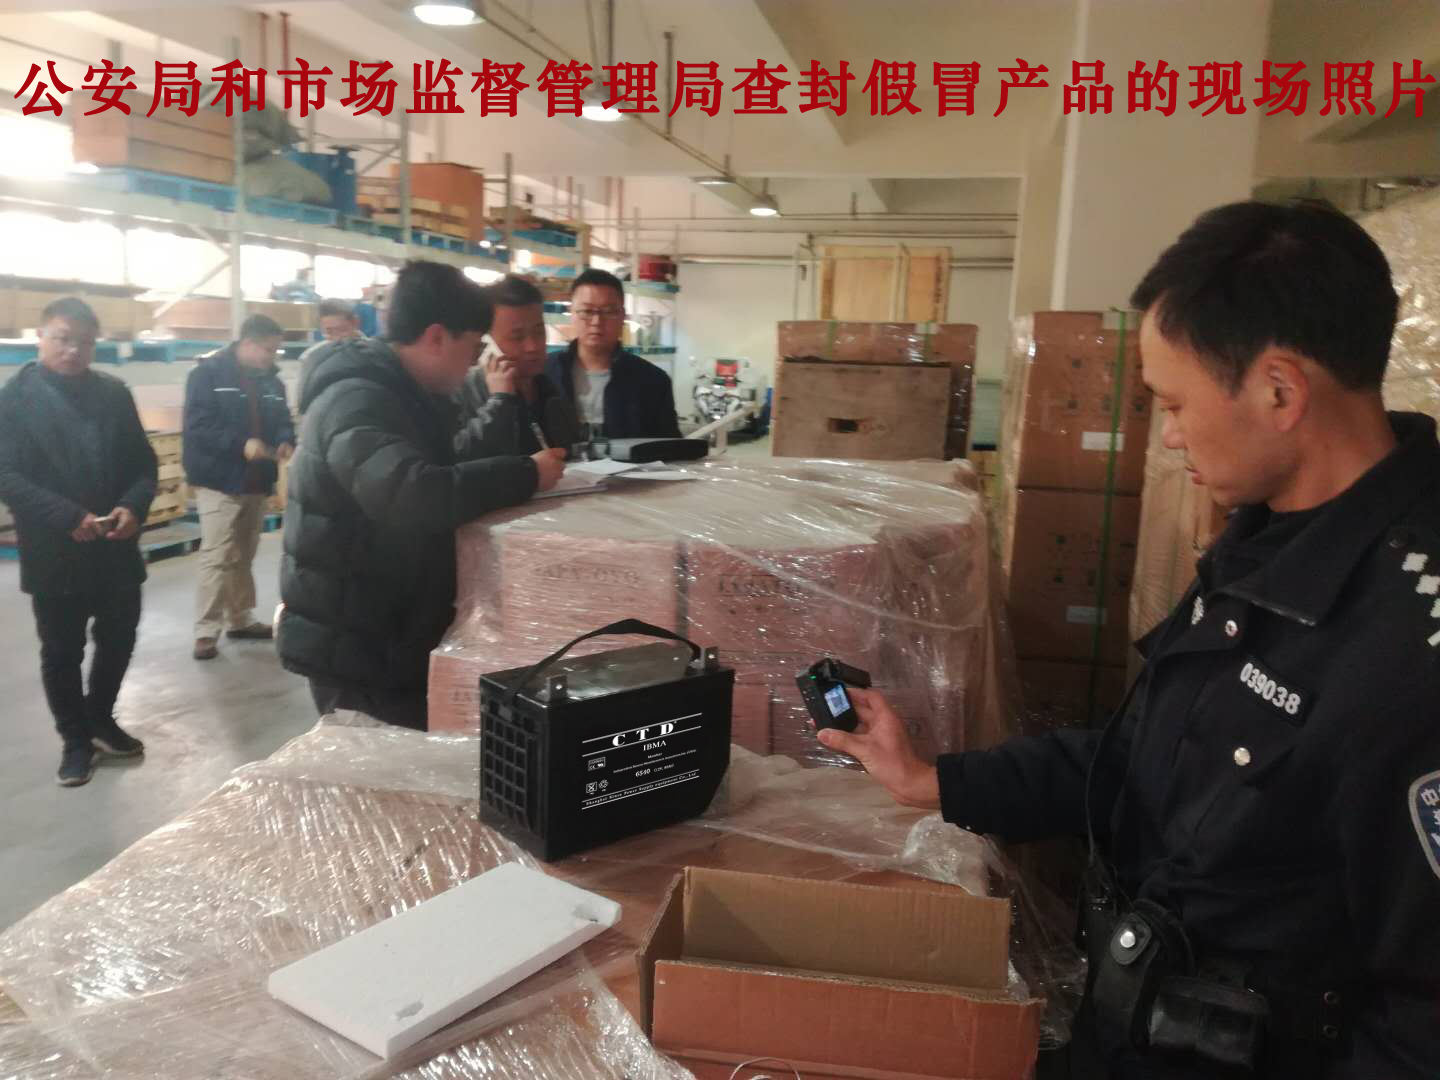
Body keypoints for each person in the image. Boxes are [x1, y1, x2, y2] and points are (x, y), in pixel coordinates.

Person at [817, 201, 1440, 1079]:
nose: (1169, 434)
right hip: (1136, 1032)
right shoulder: (1263, 548)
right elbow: (1139, 762)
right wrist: (934, 780)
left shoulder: (1408, 647)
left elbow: (1422, 1021)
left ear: (1279, 390)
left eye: (1175, 403)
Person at [276, 260, 567, 730]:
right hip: (356, 648)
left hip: (386, 633)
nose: (474, 362)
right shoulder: (356, 399)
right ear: (436, 336)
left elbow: (445, 465)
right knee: (377, 766)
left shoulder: (405, 395)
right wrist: (526, 474)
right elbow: (413, 494)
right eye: (473, 346)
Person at [0, 298, 156, 787]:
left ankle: (100, 718)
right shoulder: (14, 400)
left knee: (119, 637)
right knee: (62, 650)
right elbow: (7, 475)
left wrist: (133, 505)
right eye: (62, 339)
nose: (73, 350)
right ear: (41, 336)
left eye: (84, 342)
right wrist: (67, 516)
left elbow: (143, 463)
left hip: (115, 545)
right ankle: (75, 741)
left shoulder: (113, 393)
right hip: (55, 549)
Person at [182, 314, 295, 661]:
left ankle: (240, 618)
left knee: (244, 554)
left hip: (256, 480)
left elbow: (283, 420)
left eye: (275, 351)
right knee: (217, 554)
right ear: (247, 343)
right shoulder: (207, 375)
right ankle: (205, 631)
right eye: (268, 350)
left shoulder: (272, 382)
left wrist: (285, 440)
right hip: (218, 479)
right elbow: (199, 426)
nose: (272, 357)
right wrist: (240, 444)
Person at [547, 267, 680, 440]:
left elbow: (669, 448)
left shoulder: (653, 382)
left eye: (608, 312)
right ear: (572, 313)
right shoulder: (545, 373)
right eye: (587, 311)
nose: (597, 321)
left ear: (622, 316)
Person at [457, 274, 581, 456]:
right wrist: (499, 401)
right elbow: (462, 459)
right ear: (487, 341)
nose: (532, 346)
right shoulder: (464, 393)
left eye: (539, 332)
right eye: (517, 337)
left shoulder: (550, 391)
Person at [298, 298, 366, 407]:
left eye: (342, 330)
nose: (337, 338)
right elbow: (304, 401)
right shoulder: (311, 358)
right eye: (329, 332)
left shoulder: (374, 353)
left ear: (355, 322)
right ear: (321, 329)